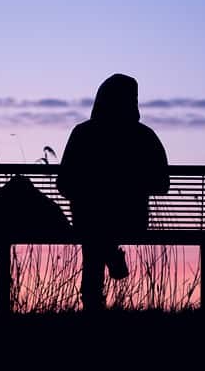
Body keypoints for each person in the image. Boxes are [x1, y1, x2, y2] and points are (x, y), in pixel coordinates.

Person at [57, 73, 170, 311]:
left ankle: (92, 301)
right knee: (97, 229)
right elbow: (162, 183)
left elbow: (64, 184)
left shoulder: (83, 133)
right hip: (131, 218)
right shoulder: (144, 136)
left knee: (93, 231)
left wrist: (93, 188)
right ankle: (109, 256)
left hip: (89, 219)